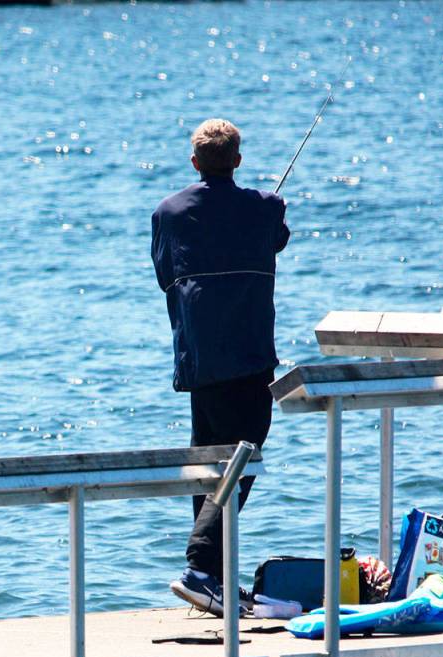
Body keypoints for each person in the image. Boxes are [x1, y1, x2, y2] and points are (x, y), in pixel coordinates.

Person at [150, 119, 290, 615]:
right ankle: (199, 565)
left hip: (198, 362)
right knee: (243, 459)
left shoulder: (168, 213)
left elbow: (164, 272)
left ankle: (214, 581)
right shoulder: (266, 206)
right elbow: (278, 238)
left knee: (211, 466)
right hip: (249, 360)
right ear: (237, 159)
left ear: (194, 162)